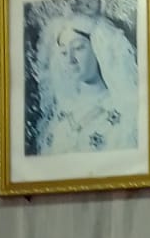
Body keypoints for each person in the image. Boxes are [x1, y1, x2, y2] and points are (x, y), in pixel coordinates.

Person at [36, 14, 137, 155]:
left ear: (98, 48)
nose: (70, 59)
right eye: (64, 52)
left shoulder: (125, 111)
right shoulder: (61, 112)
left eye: (78, 48)